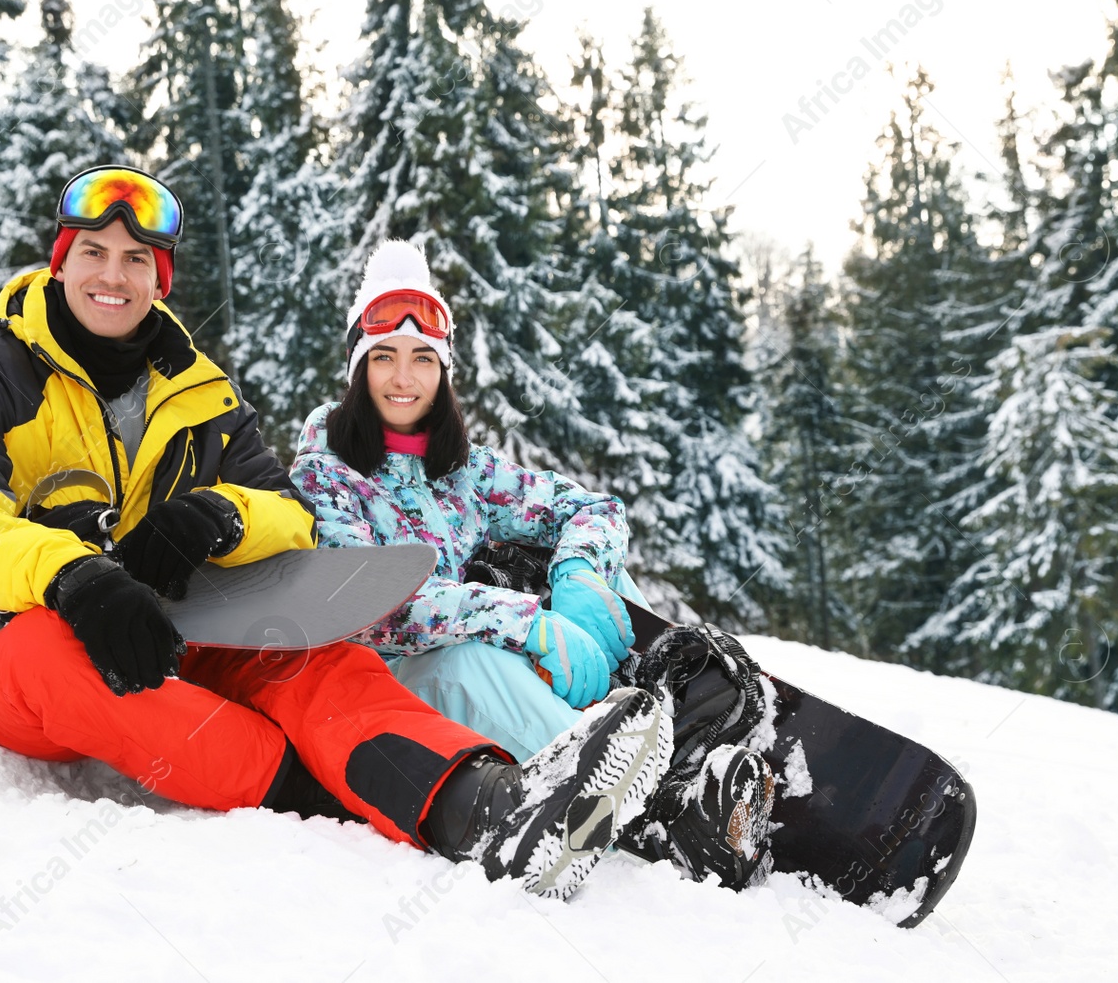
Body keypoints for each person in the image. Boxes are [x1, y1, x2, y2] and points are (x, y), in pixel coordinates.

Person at [0, 166, 672, 899]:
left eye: (136, 258)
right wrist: (70, 573)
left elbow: (285, 512)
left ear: (159, 278)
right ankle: (320, 788)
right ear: (60, 263)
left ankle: (484, 809)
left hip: (186, 625)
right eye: (93, 253)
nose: (113, 275)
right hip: (18, 642)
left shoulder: (198, 389)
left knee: (317, 662)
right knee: (66, 663)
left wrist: (221, 516)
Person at [289, 239, 775, 889]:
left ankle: (676, 727)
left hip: (472, 643)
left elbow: (591, 506)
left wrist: (576, 575)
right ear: (359, 368)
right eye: (384, 357)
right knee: (471, 661)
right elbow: (371, 605)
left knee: (591, 574)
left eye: (421, 359)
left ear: (443, 370)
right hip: (394, 681)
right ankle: (655, 812)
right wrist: (523, 622)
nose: (403, 377)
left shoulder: (462, 469)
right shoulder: (327, 471)